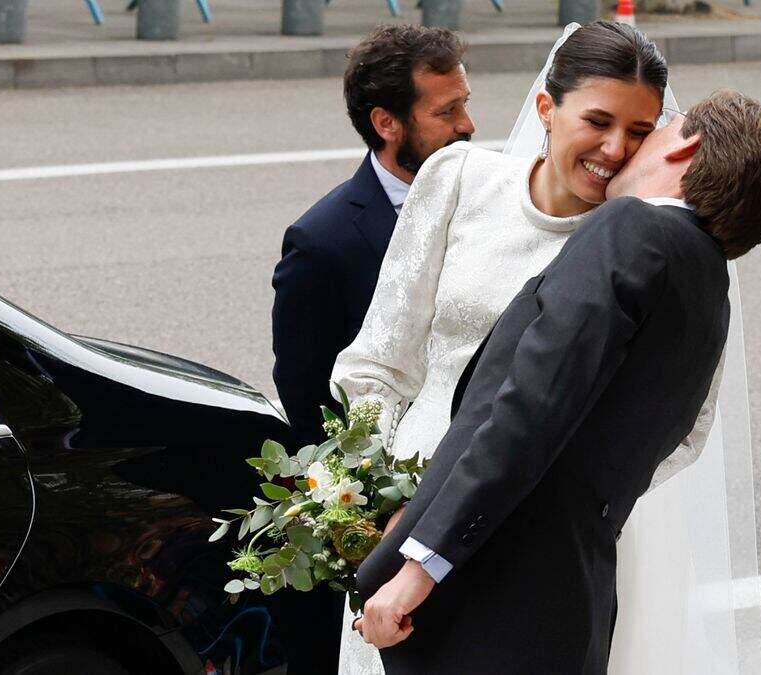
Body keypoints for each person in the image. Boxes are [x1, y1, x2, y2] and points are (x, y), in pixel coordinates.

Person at [354, 89, 761, 674]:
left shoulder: (633, 230)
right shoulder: (709, 291)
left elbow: (531, 410)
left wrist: (420, 567)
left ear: (687, 145)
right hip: (569, 604)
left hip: (488, 596)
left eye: (654, 131)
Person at [328, 21, 678, 674]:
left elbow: (681, 426)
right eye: (598, 120)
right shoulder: (459, 179)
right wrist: (378, 494)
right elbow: (377, 363)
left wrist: (540, 506)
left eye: (639, 132)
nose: (615, 149)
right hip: (398, 519)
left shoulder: (644, 256)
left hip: (537, 553)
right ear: (547, 108)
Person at [269, 24, 472, 673]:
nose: (469, 125)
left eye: (465, 102)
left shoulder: (485, 201)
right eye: (447, 112)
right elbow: (309, 409)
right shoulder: (323, 242)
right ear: (387, 122)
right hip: (384, 529)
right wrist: (364, 528)